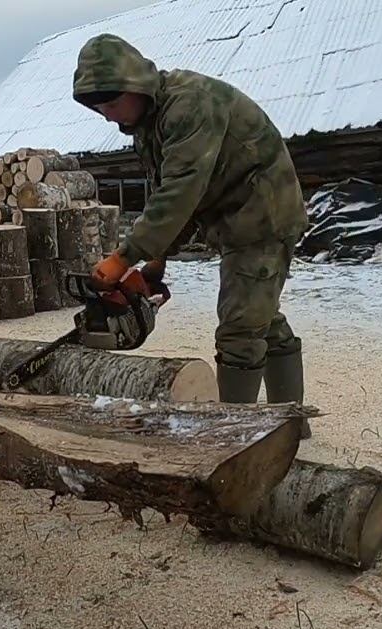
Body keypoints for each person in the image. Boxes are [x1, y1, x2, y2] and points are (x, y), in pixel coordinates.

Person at [74, 33, 309, 419]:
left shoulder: (190, 104)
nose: (109, 116)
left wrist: (125, 257)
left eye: (113, 103)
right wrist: (155, 263)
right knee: (258, 318)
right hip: (234, 219)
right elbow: (171, 193)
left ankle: (234, 440)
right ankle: (290, 423)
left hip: (263, 216)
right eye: (101, 110)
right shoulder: (150, 125)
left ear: (138, 84)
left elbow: (181, 192)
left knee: (240, 331)